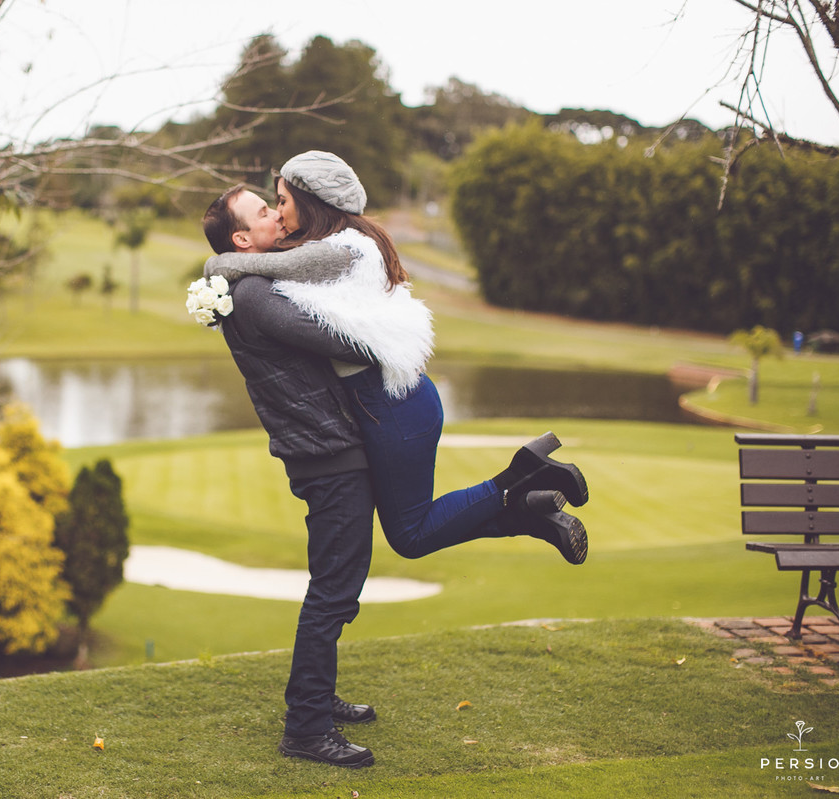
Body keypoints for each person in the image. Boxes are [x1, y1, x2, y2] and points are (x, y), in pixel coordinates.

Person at [203, 150, 590, 565]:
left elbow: (263, 266)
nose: (279, 212)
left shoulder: (340, 251)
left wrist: (216, 264)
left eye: (281, 201)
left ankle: (521, 475)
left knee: (410, 535)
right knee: (414, 530)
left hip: (389, 404)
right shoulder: (341, 241)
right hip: (394, 401)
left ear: (309, 199)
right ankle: (530, 511)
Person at [201, 185, 381, 768]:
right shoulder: (253, 294)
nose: (277, 214)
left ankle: (319, 699)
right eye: (263, 212)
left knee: (338, 582)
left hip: (323, 446)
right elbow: (342, 340)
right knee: (333, 589)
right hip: (326, 452)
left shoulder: (253, 283)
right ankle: (305, 728)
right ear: (241, 240)